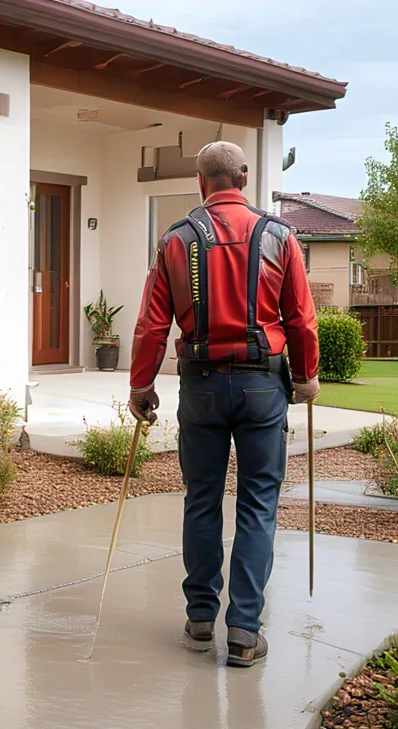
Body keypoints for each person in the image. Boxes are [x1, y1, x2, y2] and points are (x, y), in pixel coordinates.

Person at [128, 141, 319, 668]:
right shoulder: (279, 236)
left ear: (200, 182)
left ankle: (199, 617)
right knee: (258, 504)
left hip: (202, 387)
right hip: (263, 389)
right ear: (244, 176)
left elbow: (151, 324)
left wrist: (140, 388)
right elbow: (301, 319)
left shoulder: (175, 240)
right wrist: (305, 378)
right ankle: (243, 632)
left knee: (202, 499)